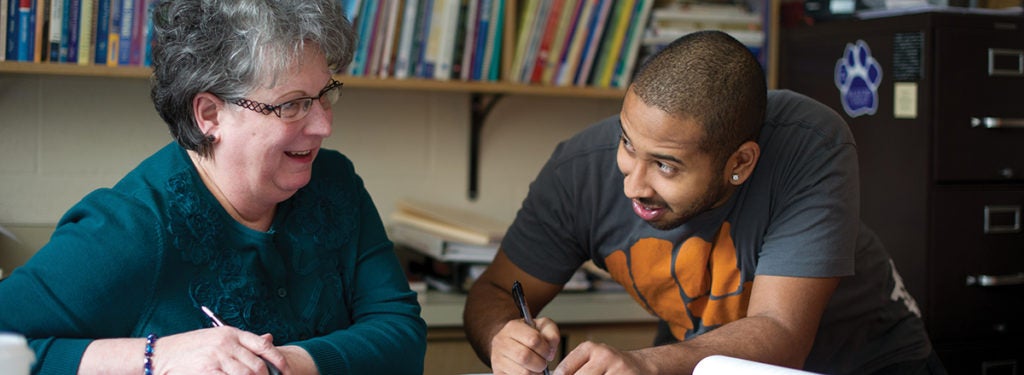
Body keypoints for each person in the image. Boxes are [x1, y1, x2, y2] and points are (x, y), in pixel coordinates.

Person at [463, 30, 942, 375]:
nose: (633, 184)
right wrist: (501, 338)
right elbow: (495, 293)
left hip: (866, 360)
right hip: (701, 361)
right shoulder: (577, 172)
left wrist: (644, 365)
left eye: (667, 166)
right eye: (627, 143)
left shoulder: (809, 142)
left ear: (740, 162)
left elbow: (781, 332)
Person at [0, 0, 426, 374]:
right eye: (293, 105)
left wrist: (287, 363)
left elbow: (401, 334)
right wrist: (154, 357)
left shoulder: (335, 185)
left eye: (325, 95)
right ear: (209, 114)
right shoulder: (129, 228)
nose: (324, 125)